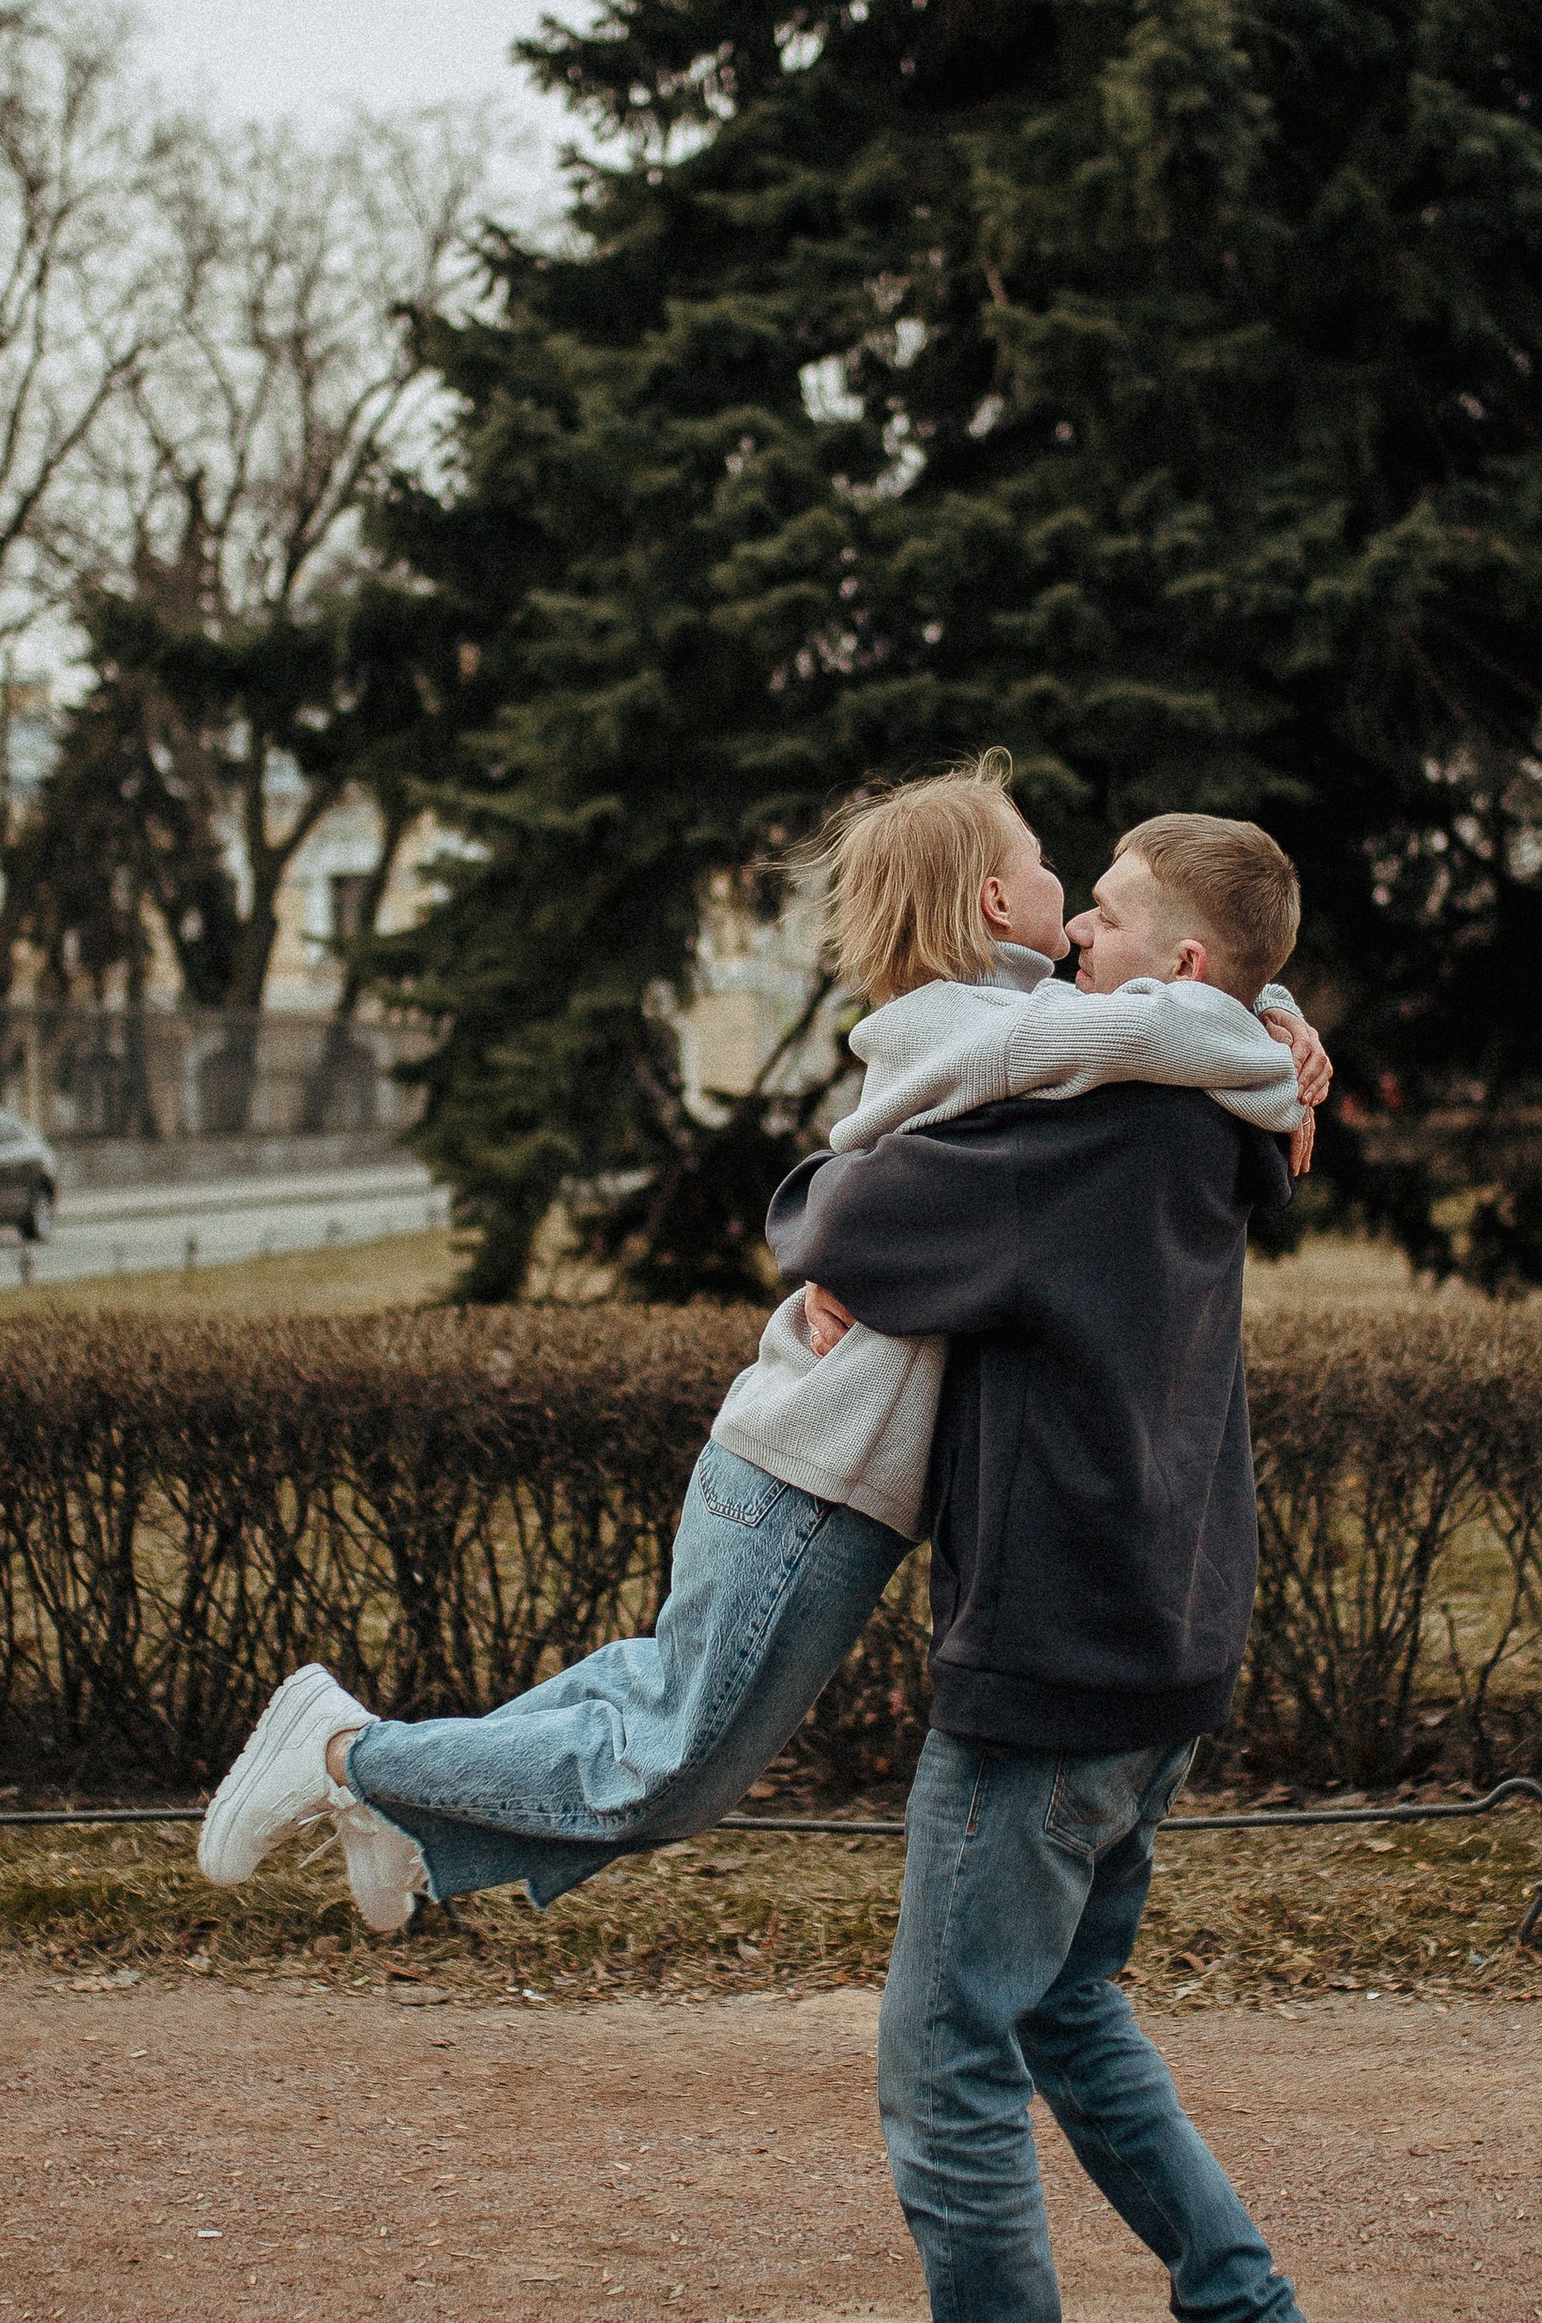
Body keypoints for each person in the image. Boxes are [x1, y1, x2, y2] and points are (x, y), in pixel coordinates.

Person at [195, 759, 1329, 1927]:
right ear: (997, 904)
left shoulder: (1025, 1030)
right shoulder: (992, 1033)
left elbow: (1179, 1005)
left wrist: (1275, 1008)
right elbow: (1180, 1023)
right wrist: (1279, 1043)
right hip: (811, 1467)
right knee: (677, 1763)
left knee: (659, 1693)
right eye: (1048, 868)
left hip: (823, 1466)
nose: (1075, 898)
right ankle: (351, 1756)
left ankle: (406, 1806)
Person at [769, 813, 1333, 2323]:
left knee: (945, 2050)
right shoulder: (1226, 1110)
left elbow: (828, 1218)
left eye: (1101, 916)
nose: (1069, 935)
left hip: (1050, 1654)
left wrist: (834, 1211)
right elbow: (1254, 1059)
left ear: (1173, 972)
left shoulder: (1072, 1138)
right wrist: (1276, 1016)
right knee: (1067, 2005)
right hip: (1169, 1639)